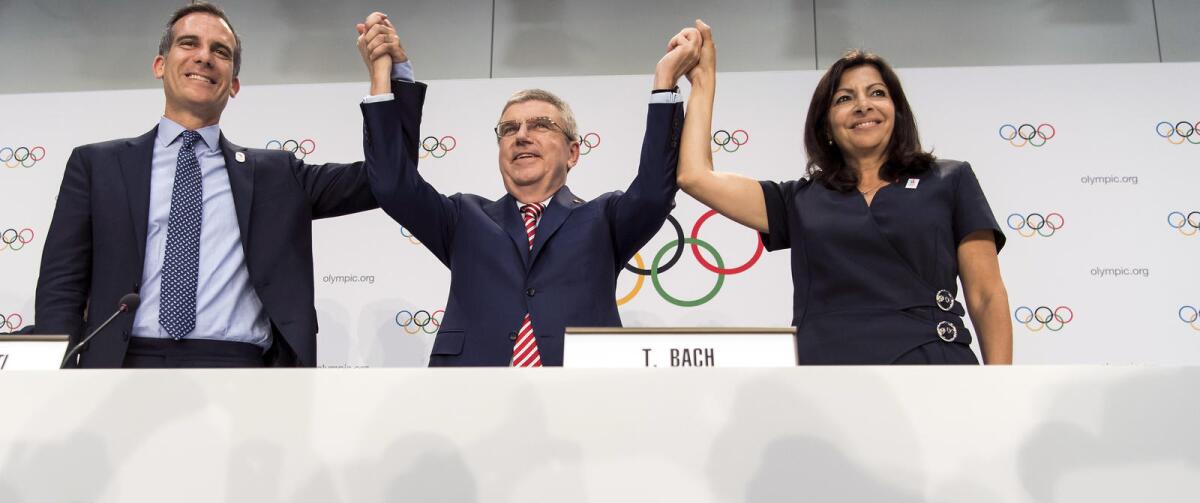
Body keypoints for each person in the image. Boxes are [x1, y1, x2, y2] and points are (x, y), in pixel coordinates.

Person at [34, 2, 418, 368]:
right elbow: (61, 286)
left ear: (233, 84)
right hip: (124, 364)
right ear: (159, 65)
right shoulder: (96, 166)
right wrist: (54, 380)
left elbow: (388, 181)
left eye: (221, 51)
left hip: (239, 369)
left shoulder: (277, 175)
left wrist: (388, 77)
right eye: (189, 43)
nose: (204, 57)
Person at [355, 13, 700, 366]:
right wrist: (386, 77)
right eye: (509, 128)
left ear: (572, 152)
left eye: (541, 125)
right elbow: (393, 185)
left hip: (580, 398)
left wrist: (665, 83)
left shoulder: (604, 218)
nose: (521, 135)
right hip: (468, 399)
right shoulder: (462, 218)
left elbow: (655, 191)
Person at [677, 21, 1012, 365]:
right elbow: (695, 176)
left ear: (897, 111)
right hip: (829, 379)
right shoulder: (798, 201)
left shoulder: (949, 179)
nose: (863, 105)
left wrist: (999, 389)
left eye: (877, 93)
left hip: (935, 368)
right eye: (844, 98)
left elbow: (986, 295)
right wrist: (703, 80)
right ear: (827, 126)